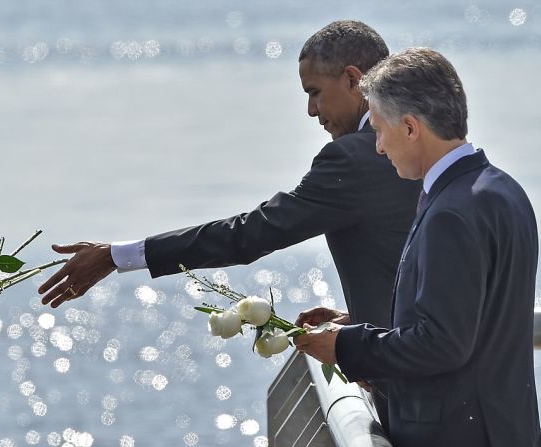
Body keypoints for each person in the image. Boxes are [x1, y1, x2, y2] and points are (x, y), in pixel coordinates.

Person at [38, 20, 421, 427]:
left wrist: (117, 256)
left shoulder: (354, 157)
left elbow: (249, 234)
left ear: (352, 80)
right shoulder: (415, 141)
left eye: (314, 93)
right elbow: (408, 253)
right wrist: (361, 317)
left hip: (418, 393)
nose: (311, 111)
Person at [295, 47, 540, 446]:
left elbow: (441, 344)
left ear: (410, 128)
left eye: (378, 130)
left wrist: (347, 346)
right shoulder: (505, 190)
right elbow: (477, 321)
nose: (377, 146)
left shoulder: (450, 213)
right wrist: (357, 323)